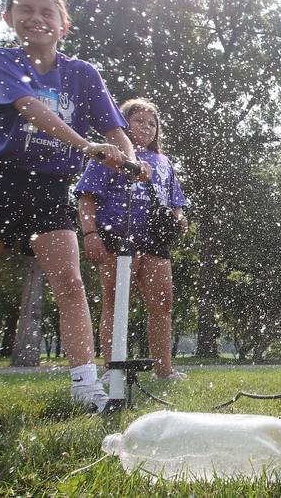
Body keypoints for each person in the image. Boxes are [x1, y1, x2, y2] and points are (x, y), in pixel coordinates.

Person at [0, 0, 150, 413]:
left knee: (70, 285)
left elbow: (116, 131)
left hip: (49, 188)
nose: (36, 18)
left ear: (63, 24)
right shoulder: (6, 60)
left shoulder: (83, 74)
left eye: (46, 12)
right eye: (25, 10)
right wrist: (86, 147)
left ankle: (84, 385)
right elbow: (33, 108)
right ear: (9, 19)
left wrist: (130, 162)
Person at [76, 99, 189, 381]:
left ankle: (163, 371)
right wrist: (90, 234)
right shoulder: (109, 155)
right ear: (124, 124)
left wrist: (179, 217)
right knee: (115, 303)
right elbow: (87, 197)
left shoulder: (164, 162)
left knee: (162, 304)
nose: (147, 128)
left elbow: (175, 201)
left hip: (155, 239)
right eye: (139, 121)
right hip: (116, 236)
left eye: (152, 124)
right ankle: (112, 371)